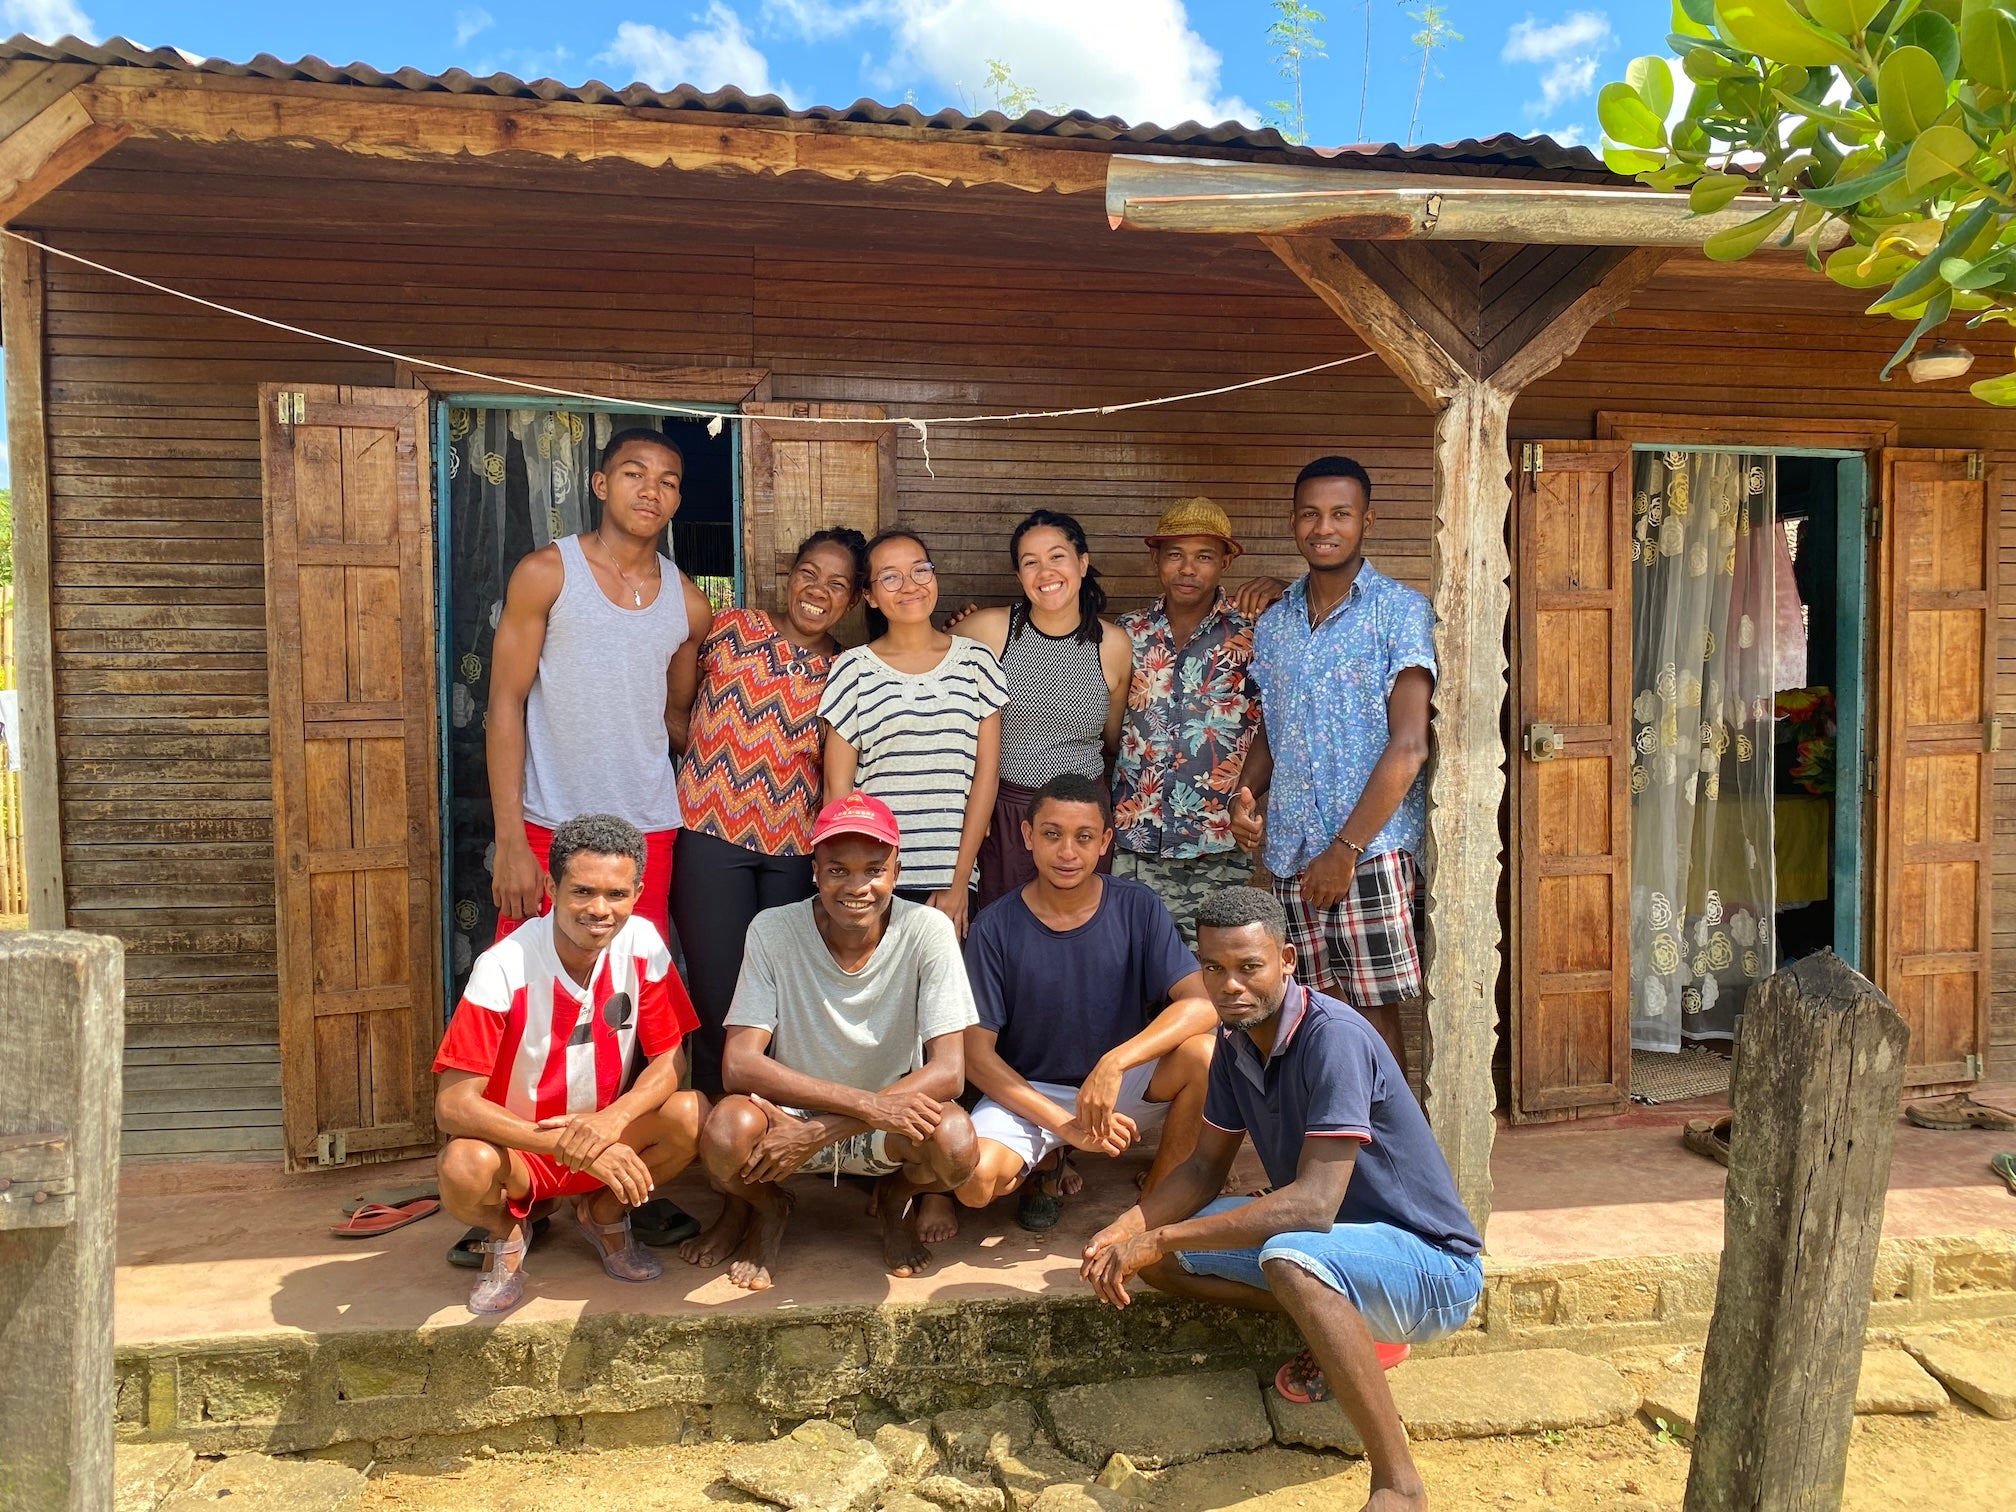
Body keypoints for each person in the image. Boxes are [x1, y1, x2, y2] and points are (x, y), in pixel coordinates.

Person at [1081, 887, 1482, 1512]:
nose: (1230, 985)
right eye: (1213, 969)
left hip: (1430, 1265)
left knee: (1287, 1255)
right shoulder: (1236, 1044)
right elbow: (1203, 1170)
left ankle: (1399, 1485)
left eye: (1249, 967)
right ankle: (1342, 1333)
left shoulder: (1334, 1040)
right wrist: (1124, 1232)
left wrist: (1158, 1234)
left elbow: (1312, 1206)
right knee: (1156, 1263)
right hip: (1333, 1250)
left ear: (1288, 960)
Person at [680, 791, 979, 1289]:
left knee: (956, 1145)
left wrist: (826, 1129)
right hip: (791, 1120)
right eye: (838, 869)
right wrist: (853, 1109)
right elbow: (739, 1064)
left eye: (873, 869)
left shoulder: (927, 930)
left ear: (896, 873)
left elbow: (949, 1071)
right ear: (814, 872)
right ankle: (770, 1208)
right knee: (725, 1132)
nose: (856, 886)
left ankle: (893, 1201)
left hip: (888, 1118)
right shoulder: (774, 929)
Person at [432, 814, 709, 1315]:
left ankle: (604, 1214)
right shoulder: (504, 966)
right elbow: (453, 1106)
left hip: (606, 1138)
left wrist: (612, 1121)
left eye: (617, 894)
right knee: (463, 1166)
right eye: (582, 891)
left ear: (637, 892)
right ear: (551, 888)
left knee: (692, 1114)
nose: (600, 910)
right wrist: (568, 1144)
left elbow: (670, 1059)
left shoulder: (643, 943)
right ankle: (507, 1232)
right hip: (524, 1148)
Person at [945, 772, 1217, 1240]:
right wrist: (1064, 1126)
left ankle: (1157, 1200)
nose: (1067, 852)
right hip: (1031, 1092)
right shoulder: (994, 927)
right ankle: (1049, 1158)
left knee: (1205, 1055)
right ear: (1027, 836)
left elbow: (1203, 1003)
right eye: (1052, 834)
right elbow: (977, 1055)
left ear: (1105, 842)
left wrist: (1115, 1063)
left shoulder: (1138, 907)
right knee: (975, 1184)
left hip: (1119, 1087)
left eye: (1084, 837)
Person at [1231, 456, 1433, 1075]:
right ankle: (1332, 1153)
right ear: (1293, 523)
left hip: (1367, 852)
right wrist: (1247, 791)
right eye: (1311, 514)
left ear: (1366, 521)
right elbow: (1276, 724)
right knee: (1318, 1013)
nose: (1325, 527)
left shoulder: (1398, 610)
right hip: (1294, 851)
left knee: (1373, 1017)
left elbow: (1410, 746)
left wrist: (1345, 849)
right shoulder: (1278, 620)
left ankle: (1392, 1161)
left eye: (1341, 514)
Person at [485, 426, 714, 945]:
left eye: (668, 482)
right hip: (551, 823)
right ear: (601, 484)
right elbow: (504, 703)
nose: (651, 491)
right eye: (635, 474)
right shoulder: (547, 572)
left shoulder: (688, 605)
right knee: (530, 990)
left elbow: (676, 720)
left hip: (647, 831)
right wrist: (510, 839)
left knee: (628, 993)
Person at [670, 528, 869, 1097]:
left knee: (776, 994)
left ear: (853, 600)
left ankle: (766, 1125)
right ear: (790, 575)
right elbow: (674, 710)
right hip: (708, 837)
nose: (817, 590)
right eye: (808, 573)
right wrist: (711, 771)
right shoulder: (732, 628)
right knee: (715, 992)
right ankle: (716, 1131)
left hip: (792, 853)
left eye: (836, 584)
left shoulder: (850, 670)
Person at [820, 528, 1007, 938]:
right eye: (890, 577)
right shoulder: (852, 669)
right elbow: (838, 789)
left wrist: (959, 882)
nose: (909, 586)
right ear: (869, 595)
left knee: (937, 999)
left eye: (919, 570)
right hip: (870, 879)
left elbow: (984, 779)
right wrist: (851, 879)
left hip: (949, 880)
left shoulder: (976, 662)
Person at [957, 510, 1131, 912]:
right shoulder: (988, 630)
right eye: (1029, 562)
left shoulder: (1113, 644)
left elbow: (1111, 738)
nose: (1044, 571)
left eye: (1057, 557)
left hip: (1082, 817)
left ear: (1082, 563)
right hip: (1004, 812)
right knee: (1003, 928)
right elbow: (924, 655)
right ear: (1018, 575)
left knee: (1078, 929)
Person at [1111, 497, 1264, 945]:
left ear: (1226, 562)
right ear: (1156, 558)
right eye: (1175, 554)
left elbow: (1272, 728)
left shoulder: (1252, 635)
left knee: (1213, 978)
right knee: (1133, 977)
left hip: (1214, 846)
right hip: (1133, 844)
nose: (1188, 569)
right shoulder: (1127, 633)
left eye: (1204, 557)